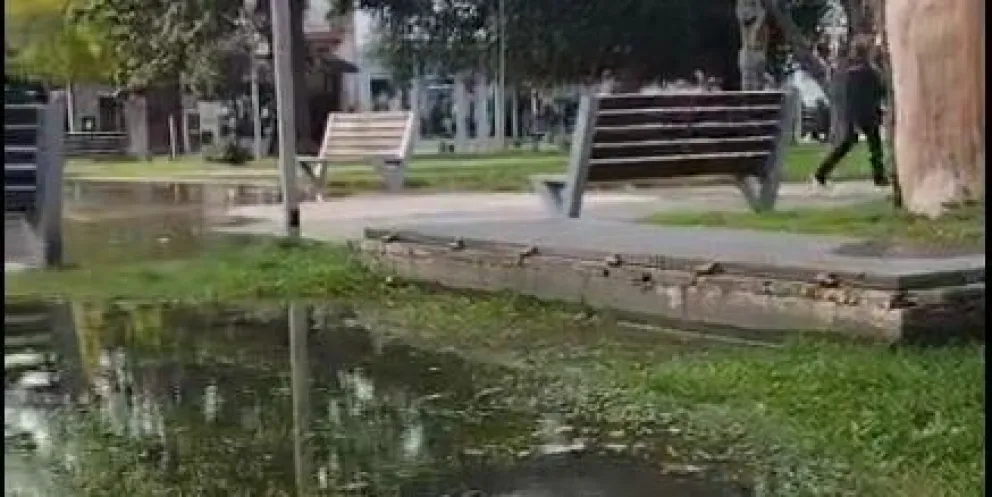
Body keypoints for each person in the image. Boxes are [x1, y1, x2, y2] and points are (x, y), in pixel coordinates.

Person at [812, 42, 889, 189]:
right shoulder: (871, 72)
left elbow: (846, 97)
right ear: (867, 53)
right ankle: (879, 177)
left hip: (853, 114)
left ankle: (821, 173)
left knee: (846, 145)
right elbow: (880, 91)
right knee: (875, 148)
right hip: (869, 114)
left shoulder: (848, 73)